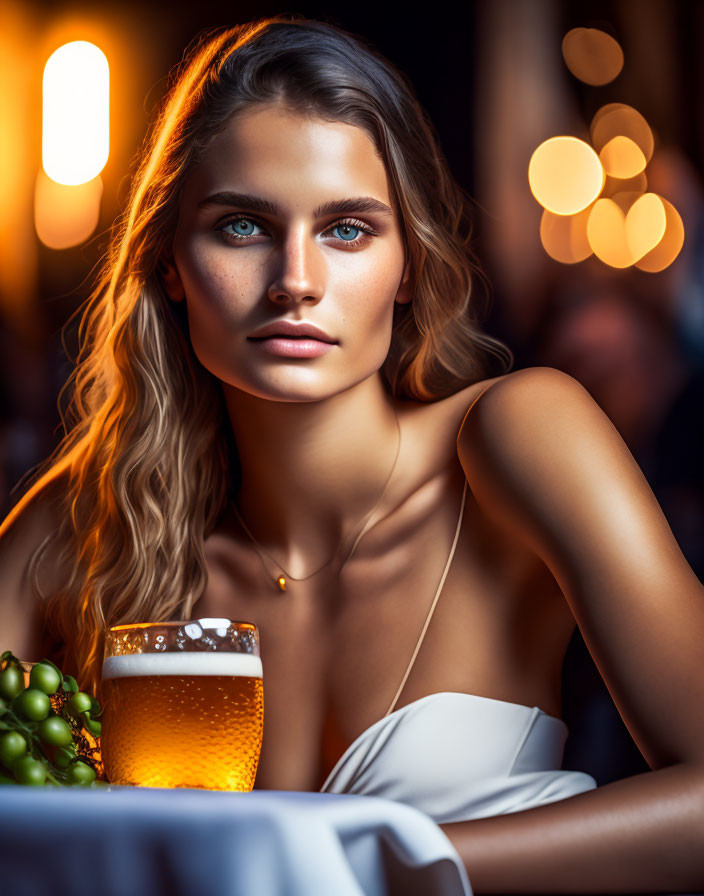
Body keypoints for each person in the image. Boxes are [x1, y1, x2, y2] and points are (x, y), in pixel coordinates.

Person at [0, 14, 702, 893]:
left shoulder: (516, 438)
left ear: (410, 264)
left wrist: (383, 857)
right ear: (170, 263)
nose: (296, 279)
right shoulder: (92, 525)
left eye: (347, 230)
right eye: (244, 227)